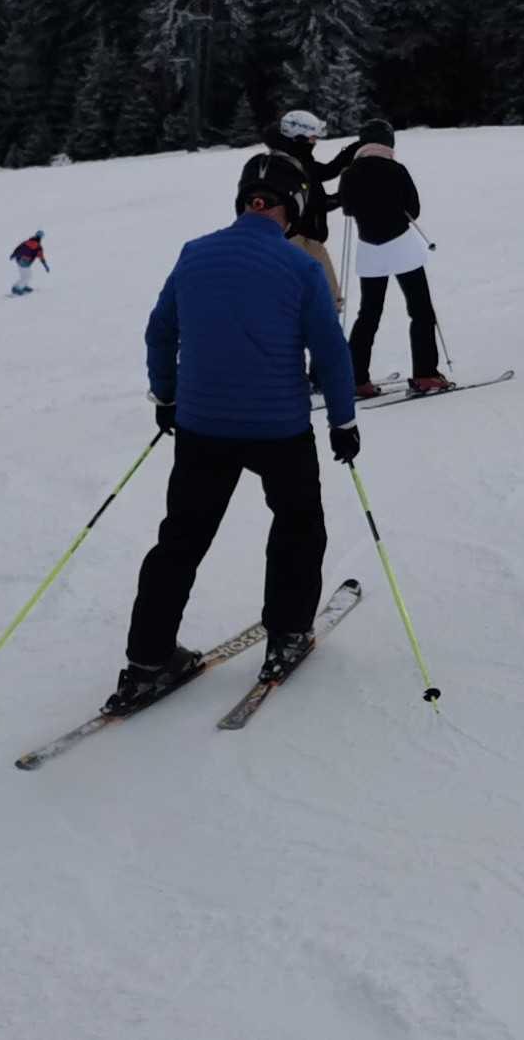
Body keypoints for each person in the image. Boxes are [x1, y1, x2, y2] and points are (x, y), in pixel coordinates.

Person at [107, 151, 359, 713]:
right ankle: (288, 633)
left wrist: (167, 397)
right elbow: (332, 353)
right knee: (298, 524)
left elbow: (159, 332)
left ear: (245, 200)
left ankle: (147, 661)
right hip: (280, 428)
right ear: (292, 206)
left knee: (180, 541)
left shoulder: (195, 255)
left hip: (203, 426)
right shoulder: (301, 268)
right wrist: (343, 420)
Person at [338, 118, 449, 395]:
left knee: (369, 313)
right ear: (389, 143)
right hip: (401, 246)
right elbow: (414, 208)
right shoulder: (396, 169)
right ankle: (425, 374)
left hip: (368, 249)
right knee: (420, 309)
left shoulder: (350, 173)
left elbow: (348, 208)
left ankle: (355, 378)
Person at [263, 111, 358, 305]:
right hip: (296, 242)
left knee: (327, 299)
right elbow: (317, 194)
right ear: (298, 138)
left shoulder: (298, 160)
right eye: (312, 138)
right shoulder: (289, 163)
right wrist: (340, 199)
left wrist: (339, 198)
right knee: (324, 300)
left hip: (307, 240)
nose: (315, 143)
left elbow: (320, 182)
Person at [8, 230, 48, 295]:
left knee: (25, 275)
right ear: (41, 237)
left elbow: (19, 247)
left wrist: (13, 255)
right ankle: (17, 288)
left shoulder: (27, 241)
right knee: (28, 276)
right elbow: (41, 257)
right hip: (25, 262)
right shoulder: (38, 247)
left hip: (18, 259)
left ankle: (22, 286)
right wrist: (45, 265)